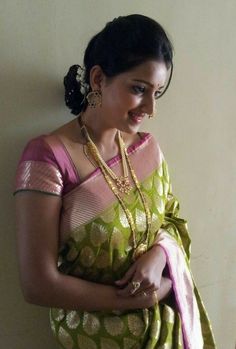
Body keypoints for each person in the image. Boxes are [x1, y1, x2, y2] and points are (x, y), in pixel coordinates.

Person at [14, 14, 216, 349]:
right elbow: (37, 283)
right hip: (91, 335)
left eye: (158, 92)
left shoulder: (146, 149)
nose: (150, 108)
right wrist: (133, 300)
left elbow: (171, 221)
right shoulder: (48, 157)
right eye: (139, 89)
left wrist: (161, 257)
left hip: (161, 330)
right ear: (97, 78)